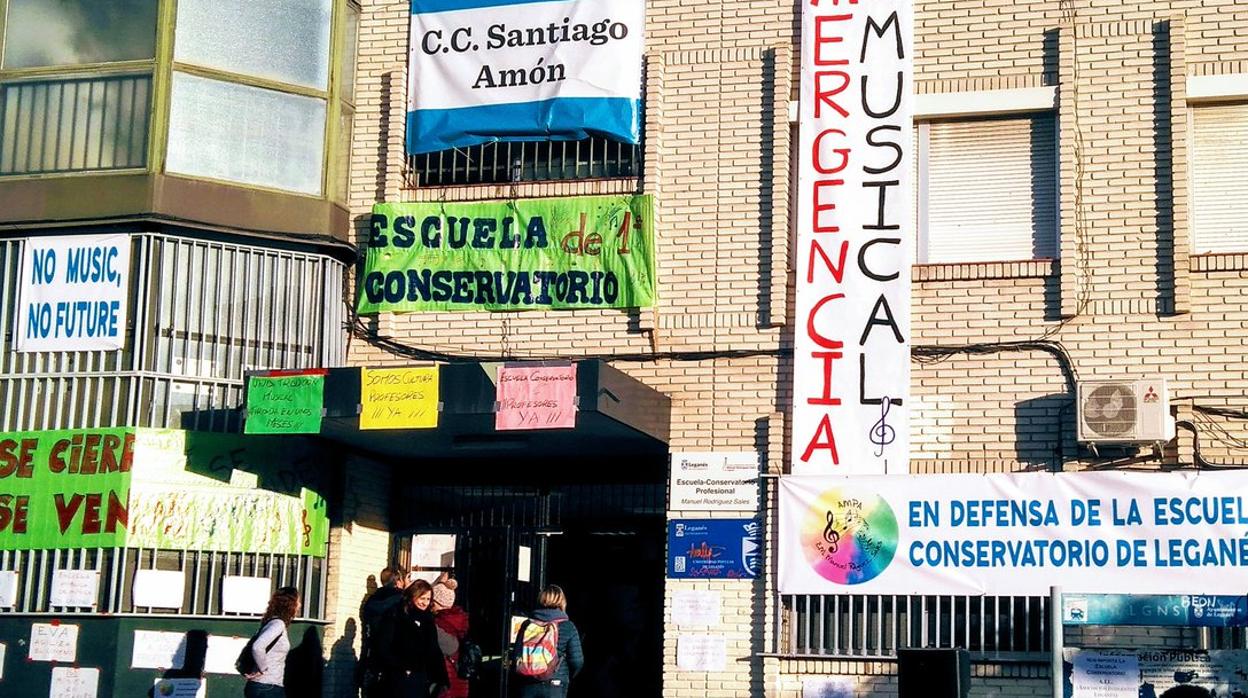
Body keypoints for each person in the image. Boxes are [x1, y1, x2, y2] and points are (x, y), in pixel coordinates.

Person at [374, 579, 449, 698]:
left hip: (421, 679)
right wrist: (401, 668)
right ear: (413, 596)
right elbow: (382, 647)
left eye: (428, 599)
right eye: (422, 598)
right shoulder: (396, 615)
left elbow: (434, 649)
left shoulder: (428, 620)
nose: (425, 603)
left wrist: (441, 677)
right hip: (398, 680)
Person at [512, 585, 583, 698]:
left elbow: (516, 654)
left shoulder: (527, 624)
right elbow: (577, 661)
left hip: (528, 684)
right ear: (562, 601)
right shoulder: (567, 626)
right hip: (555, 685)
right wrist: (565, 675)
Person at [243, 586, 300, 697]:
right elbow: (257, 646)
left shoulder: (271, 622)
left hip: (262, 686)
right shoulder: (278, 624)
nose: (299, 605)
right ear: (290, 604)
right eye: (298, 602)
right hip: (268, 687)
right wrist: (263, 669)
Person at [361, 568, 410, 696]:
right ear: (398, 581)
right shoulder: (402, 600)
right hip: (395, 657)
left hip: (373, 654)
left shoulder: (371, 600)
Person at [431, 573, 470, 698]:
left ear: (437, 602)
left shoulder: (439, 623)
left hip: (446, 684)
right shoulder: (458, 620)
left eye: (431, 600)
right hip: (459, 680)